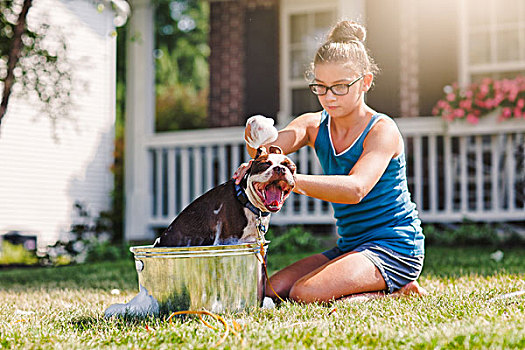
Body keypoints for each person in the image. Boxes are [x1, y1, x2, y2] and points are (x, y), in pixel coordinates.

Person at [234, 20, 427, 303]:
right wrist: (256, 143)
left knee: (304, 293)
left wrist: (290, 180)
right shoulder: (313, 125)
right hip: (351, 246)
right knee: (270, 291)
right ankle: (368, 282)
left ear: (365, 82)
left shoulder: (381, 130)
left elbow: (355, 189)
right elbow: (270, 150)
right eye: (320, 87)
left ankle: (399, 292)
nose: (329, 97)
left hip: (395, 246)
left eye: (339, 87)